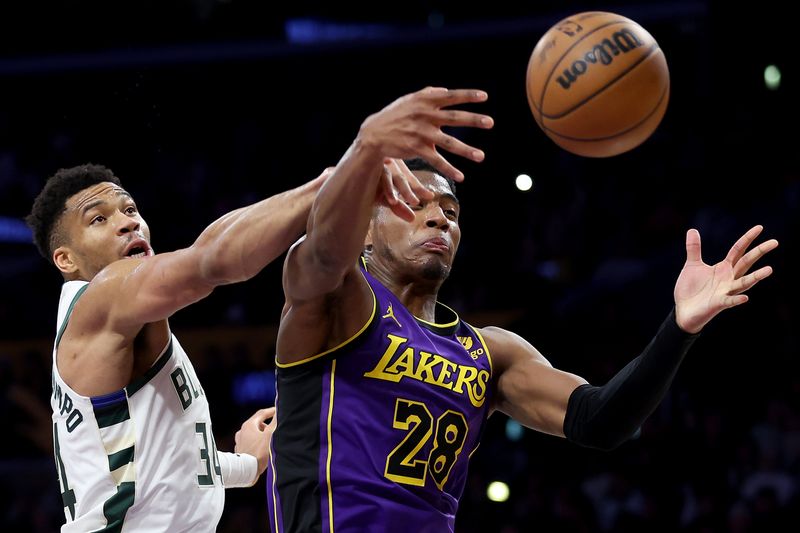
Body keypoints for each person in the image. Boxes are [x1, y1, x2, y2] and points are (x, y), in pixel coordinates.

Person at [268, 86, 779, 532]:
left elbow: (600, 421)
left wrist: (680, 326)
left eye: (450, 211)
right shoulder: (338, 303)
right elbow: (319, 254)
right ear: (365, 232)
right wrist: (367, 151)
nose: (439, 220)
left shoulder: (488, 350)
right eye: (413, 204)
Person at [25, 162, 328, 532]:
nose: (128, 222)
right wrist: (325, 188)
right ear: (66, 259)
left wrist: (247, 465)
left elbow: (164, 469)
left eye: (130, 209)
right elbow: (212, 259)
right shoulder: (100, 301)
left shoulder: (121, 322)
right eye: (98, 220)